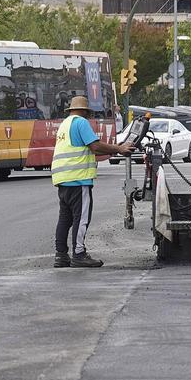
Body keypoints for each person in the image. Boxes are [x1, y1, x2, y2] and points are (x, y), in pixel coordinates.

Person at [51, 95, 132, 268]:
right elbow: (94, 146)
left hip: (63, 179)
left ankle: (61, 255)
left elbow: (87, 149)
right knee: (81, 218)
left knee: (65, 219)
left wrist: (113, 151)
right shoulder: (81, 123)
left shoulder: (65, 124)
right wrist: (119, 149)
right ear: (85, 111)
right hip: (78, 179)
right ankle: (79, 254)